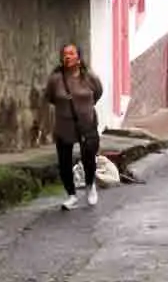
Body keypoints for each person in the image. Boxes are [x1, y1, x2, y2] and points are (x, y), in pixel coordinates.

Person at [44, 43, 103, 211]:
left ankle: (90, 186)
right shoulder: (56, 79)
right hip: (64, 125)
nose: (67, 56)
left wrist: (84, 109)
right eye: (65, 54)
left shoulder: (89, 77)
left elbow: (98, 93)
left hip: (86, 124)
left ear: (79, 56)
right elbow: (50, 97)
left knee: (89, 157)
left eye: (71, 53)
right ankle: (71, 195)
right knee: (64, 161)